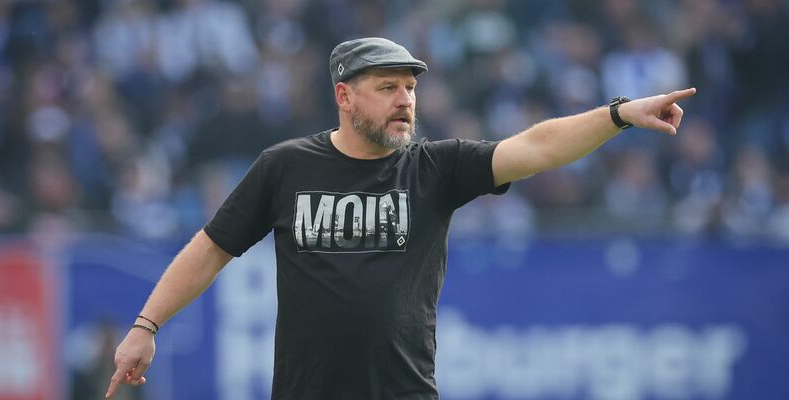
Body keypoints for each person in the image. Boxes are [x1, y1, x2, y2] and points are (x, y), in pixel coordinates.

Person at [105, 37, 696, 399]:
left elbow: (538, 146)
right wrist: (146, 326)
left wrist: (619, 113)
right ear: (344, 96)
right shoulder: (284, 167)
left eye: (409, 88)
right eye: (387, 87)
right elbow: (211, 246)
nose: (405, 100)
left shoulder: (436, 168)